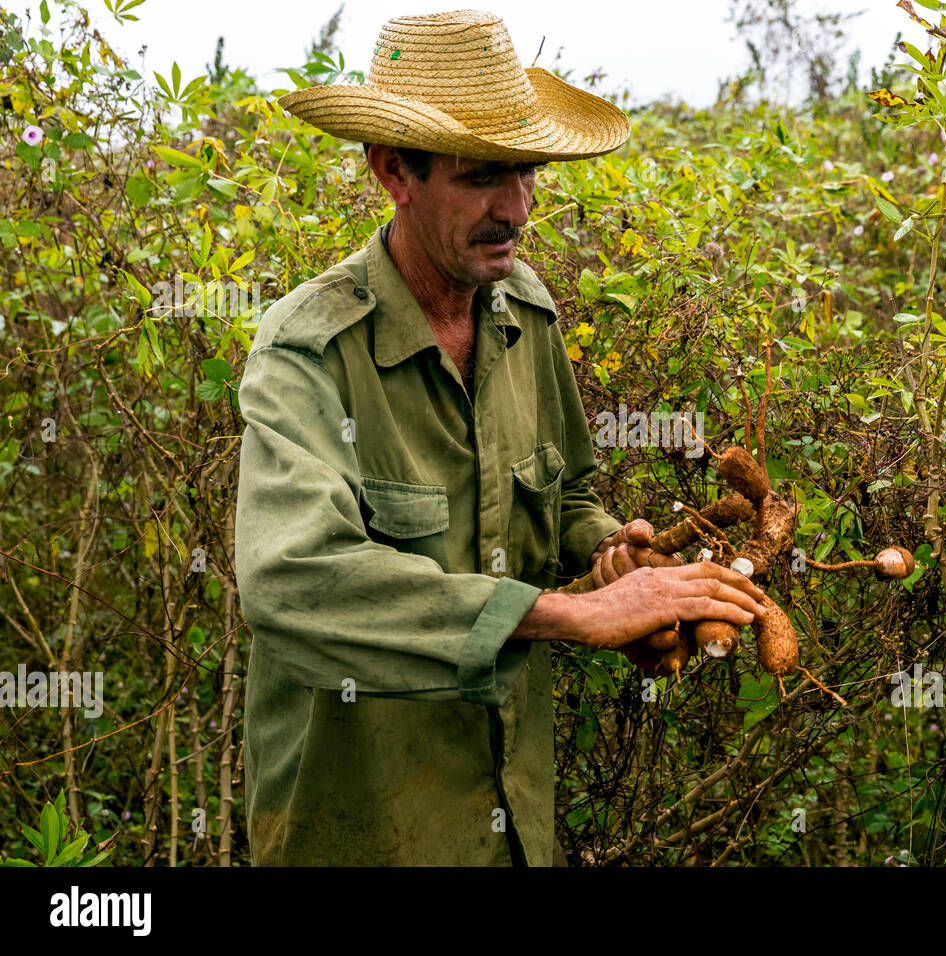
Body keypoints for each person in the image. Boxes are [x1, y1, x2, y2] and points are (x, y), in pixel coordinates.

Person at [233, 9, 766, 866]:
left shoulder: (526, 313)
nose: (514, 210)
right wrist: (573, 616)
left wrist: (609, 557)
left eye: (527, 176)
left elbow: (569, 498)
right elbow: (294, 582)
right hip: (359, 830)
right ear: (393, 172)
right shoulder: (311, 349)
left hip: (515, 820)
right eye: (484, 178)